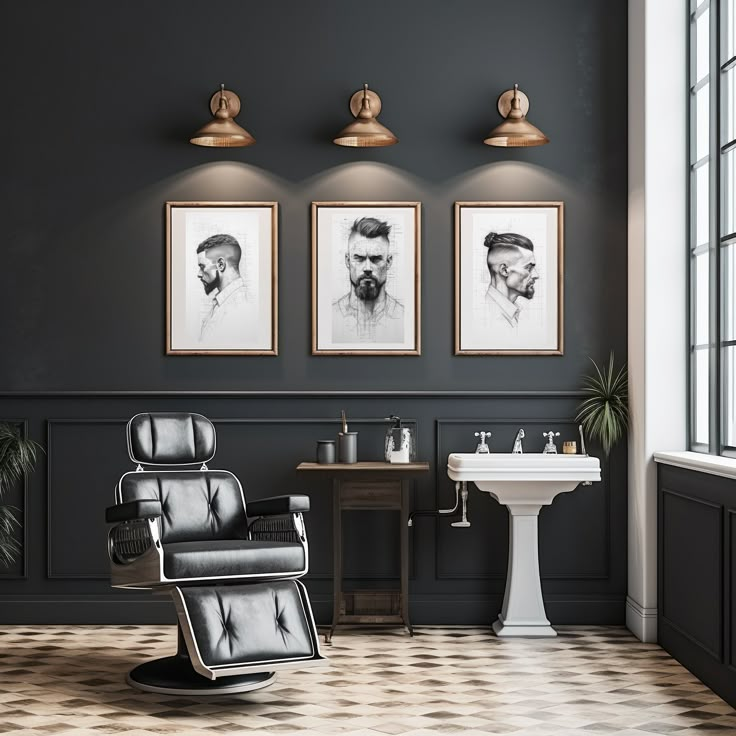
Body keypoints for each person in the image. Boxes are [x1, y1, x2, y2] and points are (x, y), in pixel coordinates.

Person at [332, 217, 404, 342]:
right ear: (348, 261)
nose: (367, 268)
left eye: (375, 259)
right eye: (359, 258)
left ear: (388, 261)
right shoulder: (330, 316)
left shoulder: (404, 317)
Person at [196, 233, 251, 343]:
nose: (199, 274)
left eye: (202, 267)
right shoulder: (225, 303)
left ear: (221, 264)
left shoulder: (239, 308)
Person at [483, 231, 539, 328]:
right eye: (528, 268)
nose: (536, 275)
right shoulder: (487, 317)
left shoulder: (511, 312)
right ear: (504, 270)